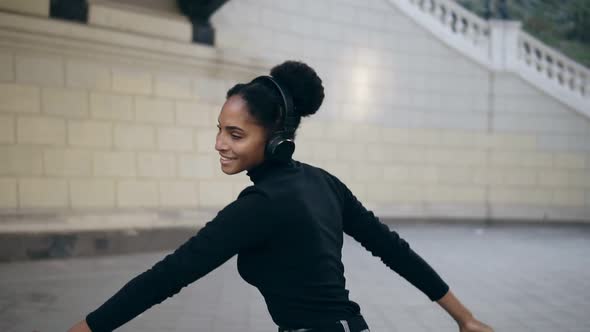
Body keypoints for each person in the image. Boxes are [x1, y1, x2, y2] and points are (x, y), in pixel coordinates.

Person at [68, 61, 494, 332]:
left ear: (276, 138)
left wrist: (87, 328)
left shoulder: (262, 205)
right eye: (219, 128)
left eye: (235, 134)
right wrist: (464, 317)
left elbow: (170, 275)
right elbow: (395, 251)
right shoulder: (323, 181)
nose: (219, 143)